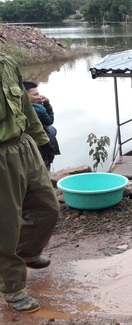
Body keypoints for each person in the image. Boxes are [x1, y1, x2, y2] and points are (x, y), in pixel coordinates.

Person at [0, 53, 60, 313]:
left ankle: (28, 253)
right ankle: (13, 289)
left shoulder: (7, 62)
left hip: (24, 144)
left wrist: (41, 140)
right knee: (6, 227)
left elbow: (25, 108)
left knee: (48, 207)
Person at [23, 81, 60, 170]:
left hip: (25, 143)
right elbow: (49, 120)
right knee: (51, 130)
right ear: (24, 96)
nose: (39, 97)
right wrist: (47, 105)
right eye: (35, 95)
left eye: (39, 95)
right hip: (40, 143)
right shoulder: (38, 109)